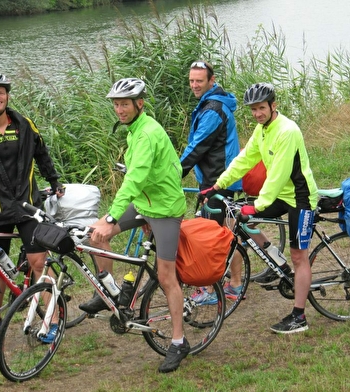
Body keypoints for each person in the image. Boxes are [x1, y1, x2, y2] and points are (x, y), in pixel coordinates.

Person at [78, 78, 189, 373]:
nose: (119, 109)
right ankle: (109, 292)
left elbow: (135, 179)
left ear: (139, 104)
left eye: (124, 104)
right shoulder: (135, 131)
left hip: (165, 210)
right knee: (95, 235)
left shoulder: (148, 134)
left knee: (166, 278)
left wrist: (112, 217)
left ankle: (178, 342)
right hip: (144, 205)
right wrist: (108, 220)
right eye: (115, 104)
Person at [202, 82, 318, 334]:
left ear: (273, 106)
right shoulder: (262, 129)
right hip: (280, 195)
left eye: (261, 108)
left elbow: (277, 175)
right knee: (241, 220)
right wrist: (218, 185)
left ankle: (299, 317)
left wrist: (257, 205)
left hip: (300, 197)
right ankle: (278, 265)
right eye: (253, 110)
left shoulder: (287, 131)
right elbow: (244, 159)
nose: (257, 114)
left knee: (300, 255)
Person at [0, 72, 64, 341]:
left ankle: (53, 318)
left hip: (28, 205)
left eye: (1, 92)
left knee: (38, 260)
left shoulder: (24, 124)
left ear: (7, 97)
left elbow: (42, 153)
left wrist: (54, 180)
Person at [180, 60, 243, 301]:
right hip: (217, 178)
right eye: (191, 81)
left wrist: (174, 173)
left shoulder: (213, 109)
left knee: (212, 238)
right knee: (227, 232)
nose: (194, 85)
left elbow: (197, 148)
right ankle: (235, 283)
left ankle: (211, 290)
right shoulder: (211, 104)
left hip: (218, 181)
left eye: (199, 81)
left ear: (211, 80)